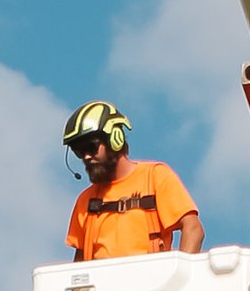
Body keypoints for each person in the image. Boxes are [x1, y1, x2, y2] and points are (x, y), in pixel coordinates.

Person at [62, 99, 204, 261]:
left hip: (151, 283)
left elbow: (193, 229)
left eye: (91, 147)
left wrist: (180, 279)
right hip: (104, 285)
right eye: (79, 152)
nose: (86, 156)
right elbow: (78, 265)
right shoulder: (85, 201)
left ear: (115, 139)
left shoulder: (155, 177)